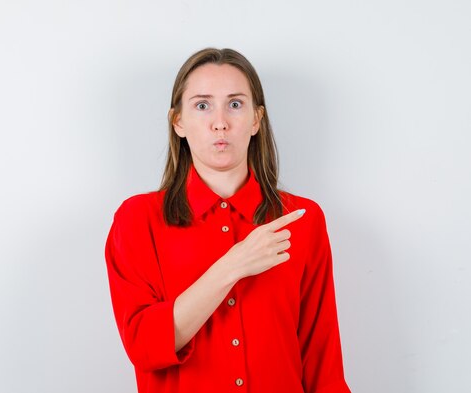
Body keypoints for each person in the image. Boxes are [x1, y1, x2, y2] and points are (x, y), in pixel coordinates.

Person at [105, 48, 351, 393]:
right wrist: (233, 265)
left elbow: (322, 358)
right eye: (202, 105)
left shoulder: (301, 220)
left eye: (235, 104)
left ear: (255, 119)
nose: (220, 121)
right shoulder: (137, 219)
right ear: (178, 122)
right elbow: (144, 347)